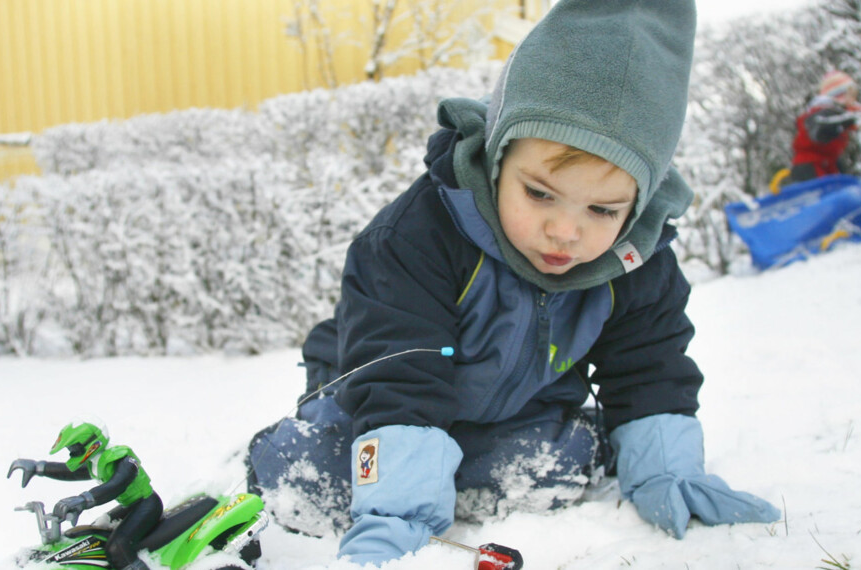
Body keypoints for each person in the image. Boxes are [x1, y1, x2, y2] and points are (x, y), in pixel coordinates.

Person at [248, 0, 780, 565]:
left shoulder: (633, 260)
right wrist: (399, 514)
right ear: (498, 155)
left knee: (563, 461)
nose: (565, 231)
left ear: (638, 205)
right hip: (380, 408)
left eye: (602, 210)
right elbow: (398, 371)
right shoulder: (419, 235)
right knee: (302, 473)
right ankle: (371, 471)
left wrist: (667, 473)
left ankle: (456, 473)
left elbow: (649, 367)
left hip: (518, 414)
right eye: (540, 193)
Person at [8, 422, 162, 570]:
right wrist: (39, 467)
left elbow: (117, 484)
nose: (72, 453)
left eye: (75, 448)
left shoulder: (122, 458)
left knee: (117, 547)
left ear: (92, 443)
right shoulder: (96, 462)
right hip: (130, 505)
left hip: (147, 504)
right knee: (95, 533)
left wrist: (84, 500)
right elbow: (71, 472)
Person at [789, 70, 861, 184]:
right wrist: (845, 122)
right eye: (851, 95)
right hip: (810, 166)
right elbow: (820, 134)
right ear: (839, 95)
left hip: (826, 163)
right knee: (824, 194)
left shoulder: (839, 113)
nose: (854, 99)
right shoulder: (823, 112)